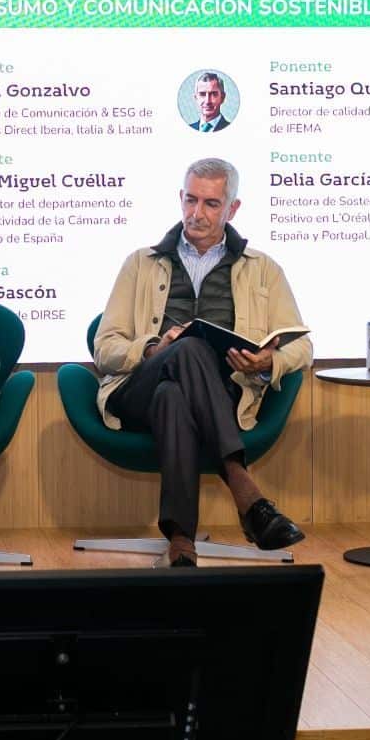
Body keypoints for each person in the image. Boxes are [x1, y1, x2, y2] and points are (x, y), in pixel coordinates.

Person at [93, 158, 307, 565]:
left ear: (232, 209)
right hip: (138, 390)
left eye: (211, 203)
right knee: (188, 348)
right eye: (190, 200)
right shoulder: (140, 263)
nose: (197, 213)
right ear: (180, 198)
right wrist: (153, 348)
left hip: (219, 397)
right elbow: (105, 347)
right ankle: (244, 489)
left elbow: (302, 347)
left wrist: (266, 361)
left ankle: (181, 541)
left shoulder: (263, 270)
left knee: (174, 396)